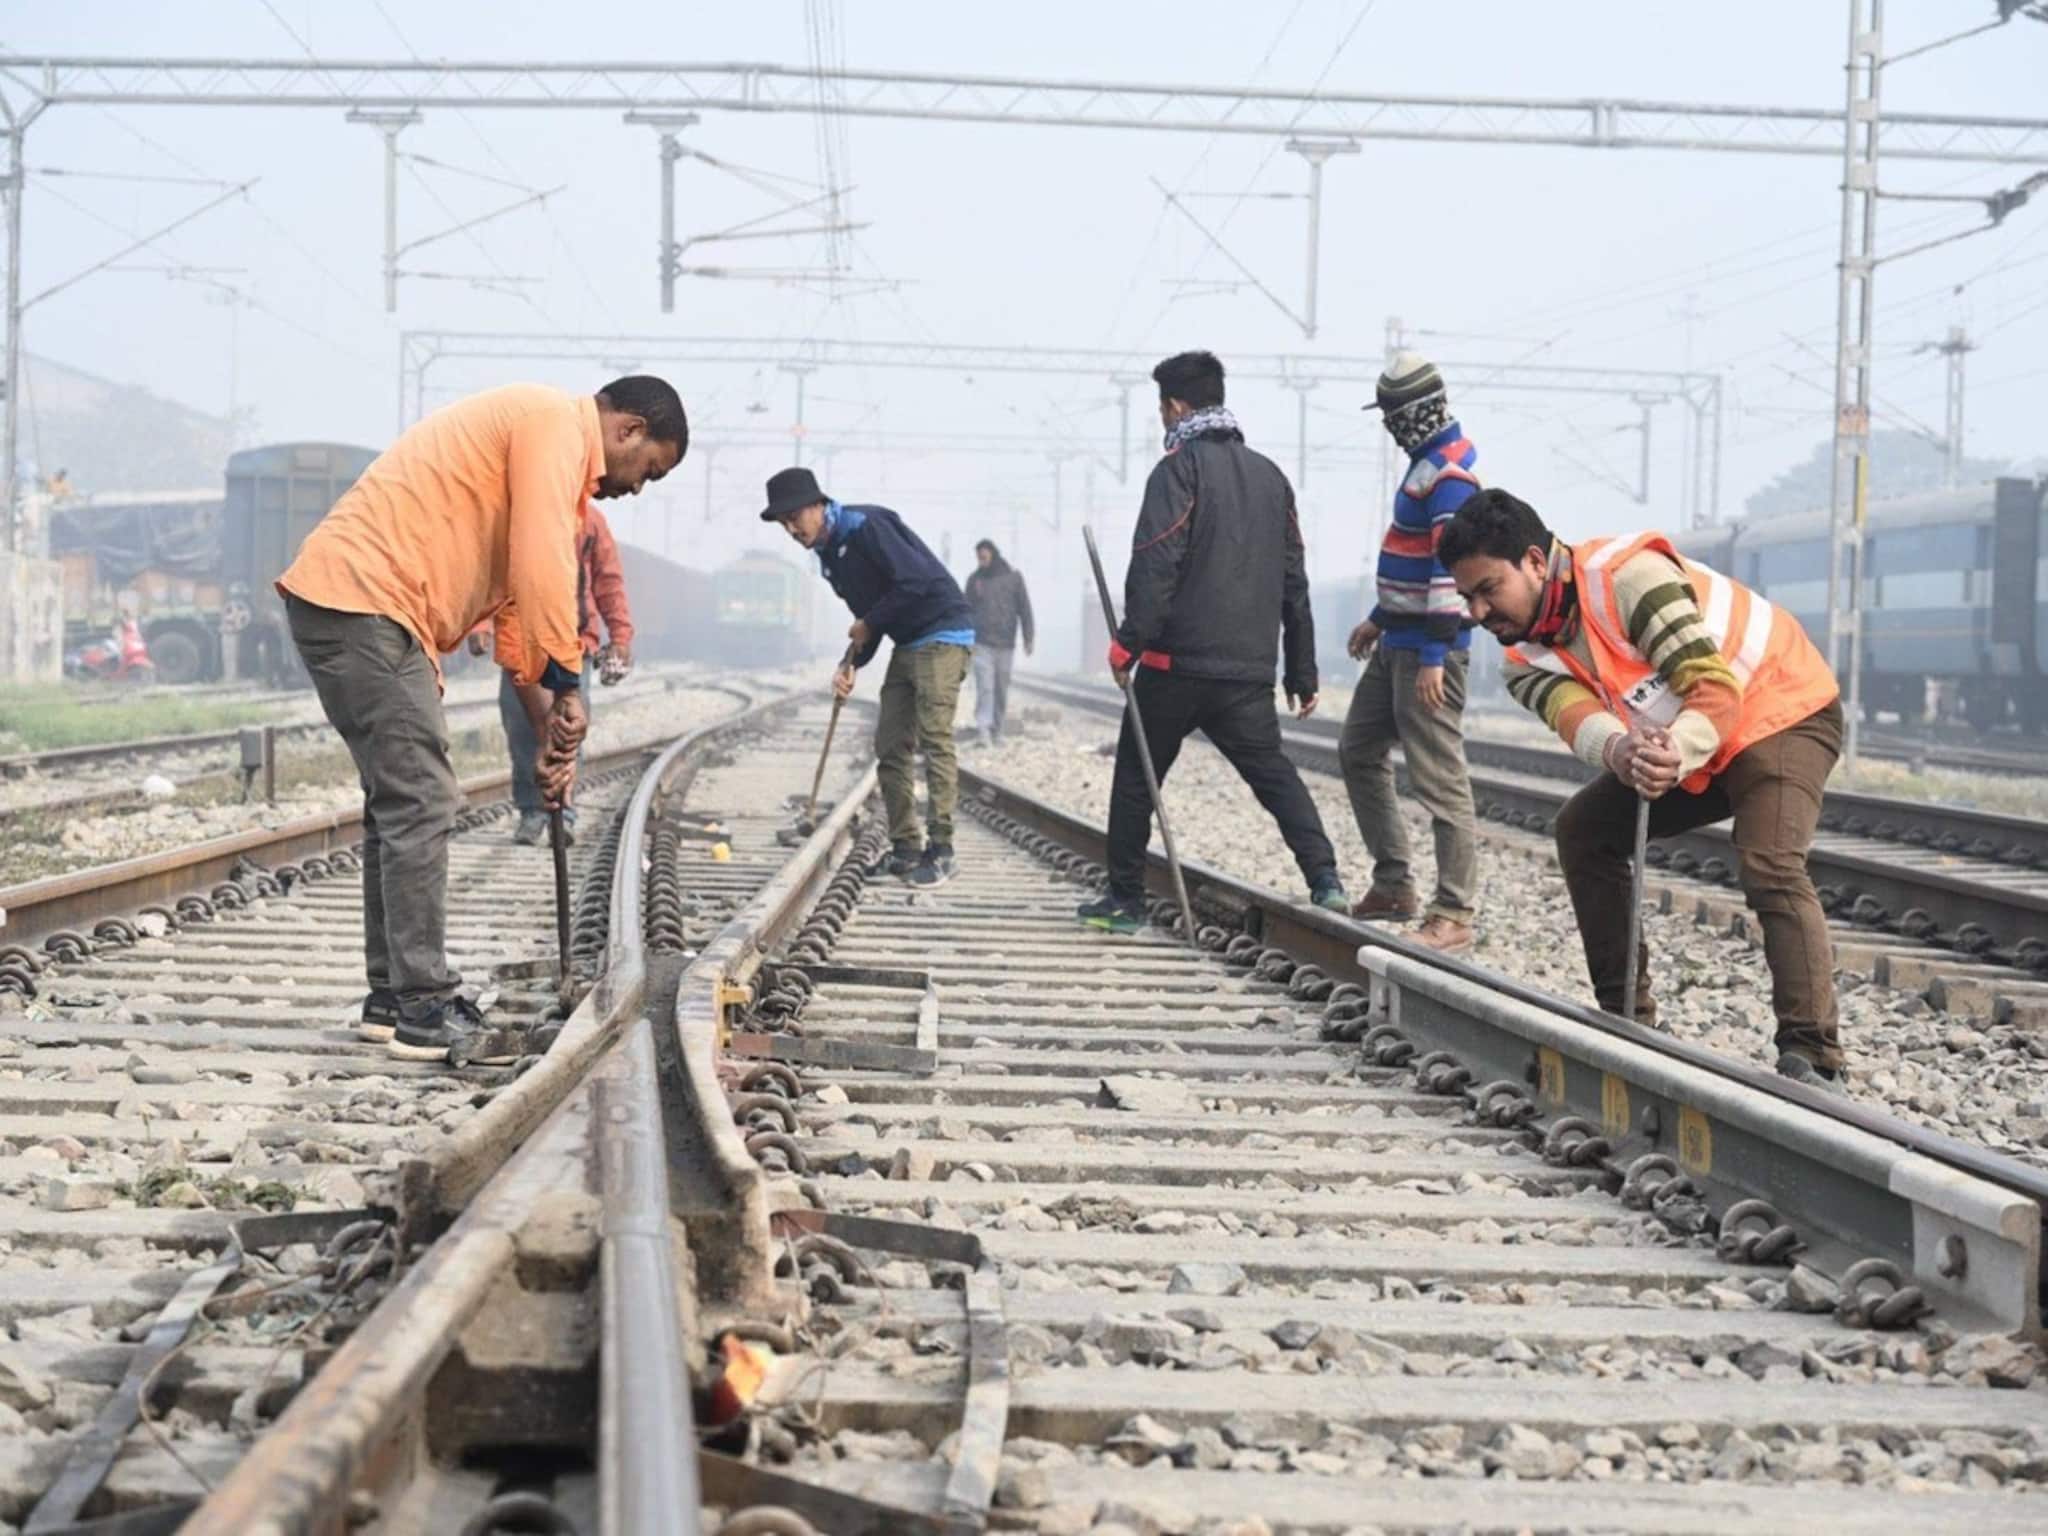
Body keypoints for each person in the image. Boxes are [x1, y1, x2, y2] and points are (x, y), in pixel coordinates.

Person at [279, 377, 686, 1062]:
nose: (638, 489)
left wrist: (549, 732)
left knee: (397, 801)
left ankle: (392, 998)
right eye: (650, 471)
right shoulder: (554, 425)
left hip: (358, 603)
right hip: (367, 601)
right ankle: (423, 1004)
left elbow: (516, 615)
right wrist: (568, 683)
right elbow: (542, 563)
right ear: (630, 429)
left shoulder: (540, 451)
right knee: (423, 796)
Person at [1437, 487, 1846, 1088]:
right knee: (1583, 831)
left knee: (1770, 863)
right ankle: (1628, 1022)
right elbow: (1585, 724)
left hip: (1781, 709)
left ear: (1532, 560)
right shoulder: (1521, 660)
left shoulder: (1630, 579)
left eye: (1487, 590)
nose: (1476, 613)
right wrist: (1626, 753)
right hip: (1698, 743)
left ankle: (1814, 1055)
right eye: (1466, 597)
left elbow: (1712, 687)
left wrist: (1673, 752)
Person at [1077, 350, 1348, 934]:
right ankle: (1326, 879)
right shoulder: (1272, 478)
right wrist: (1301, 670)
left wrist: (1129, 643)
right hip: (1247, 673)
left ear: (1175, 406)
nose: (1162, 423)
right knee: (1274, 773)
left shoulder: (1178, 471)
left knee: (1137, 779)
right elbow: (1292, 580)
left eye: (1161, 411)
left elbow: (1156, 561)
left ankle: (1124, 902)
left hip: (1174, 668)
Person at [762, 465, 974, 888]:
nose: (791, 528)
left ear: (818, 505)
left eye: (794, 517)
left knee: (935, 740)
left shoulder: (867, 526)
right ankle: (906, 849)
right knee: (890, 747)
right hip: (908, 641)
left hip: (943, 632)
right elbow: (871, 621)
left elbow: (913, 581)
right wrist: (851, 663)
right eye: (783, 522)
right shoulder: (828, 558)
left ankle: (942, 851)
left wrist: (869, 624)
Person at [1339, 351, 1483, 954]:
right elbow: (1415, 561)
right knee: (1358, 750)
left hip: (1428, 651)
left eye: (1393, 414)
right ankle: (1395, 883)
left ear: (1416, 412)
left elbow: (1450, 572)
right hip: (1397, 641)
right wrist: (1378, 618)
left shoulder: (1449, 474)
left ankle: (1454, 912)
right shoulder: (1427, 464)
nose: (1388, 426)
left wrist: (1432, 655)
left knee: (1439, 779)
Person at [473, 500, 636, 846]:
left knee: (566, 731)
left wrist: (620, 636)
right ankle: (532, 811)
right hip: (520, 640)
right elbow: (493, 576)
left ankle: (564, 812)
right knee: (521, 730)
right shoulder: (519, 517)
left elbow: (608, 583)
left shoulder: (591, 522)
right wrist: (483, 624)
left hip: (574, 644)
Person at [963, 537, 1034, 747]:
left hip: (1006, 644)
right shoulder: (974, 580)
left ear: (992, 554)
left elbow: (1024, 609)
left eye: (984, 556)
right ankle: (983, 730)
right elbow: (965, 610)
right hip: (982, 643)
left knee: (1001, 688)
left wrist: (1028, 637)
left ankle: (997, 730)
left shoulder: (1013, 578)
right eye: (979, 557)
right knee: (985, 687)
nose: (981, 561)